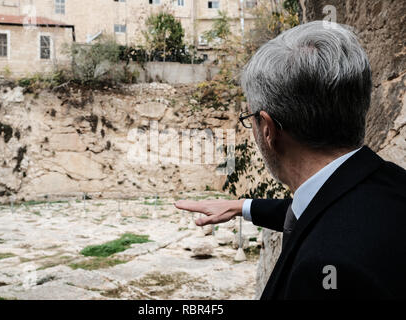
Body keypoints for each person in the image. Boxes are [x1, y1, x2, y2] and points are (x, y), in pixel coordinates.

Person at [174, 21, 406, 299]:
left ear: (268, 130)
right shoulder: (391, 181)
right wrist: (242, 206)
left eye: (252, 120)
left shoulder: (322, 270)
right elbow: (325, 207)